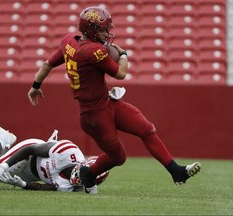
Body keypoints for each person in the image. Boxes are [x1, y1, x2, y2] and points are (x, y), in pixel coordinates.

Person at [27, 6, 201, 194]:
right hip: (94, 116)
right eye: (102, 29)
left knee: (146, 129)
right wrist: (124, 55)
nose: (106, 33)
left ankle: (176, 171)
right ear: (90, 29)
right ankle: (88, 172)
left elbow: (47, 64)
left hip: (108, 104)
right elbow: (120, 73)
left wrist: (35, 86)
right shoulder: (93, 51)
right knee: (118, 157)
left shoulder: (69, 41)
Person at [0, 121, 109, 193]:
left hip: (32, 175)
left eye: (87, 181)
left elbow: (44, 188)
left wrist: (22, 184)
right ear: (82, 164)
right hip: (28, 156)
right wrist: (5, 166)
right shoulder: (67, 152)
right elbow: (30, 149)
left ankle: (6, 143)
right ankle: (1, 139)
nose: (81, 180)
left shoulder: (74, 187)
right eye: (84, 175)